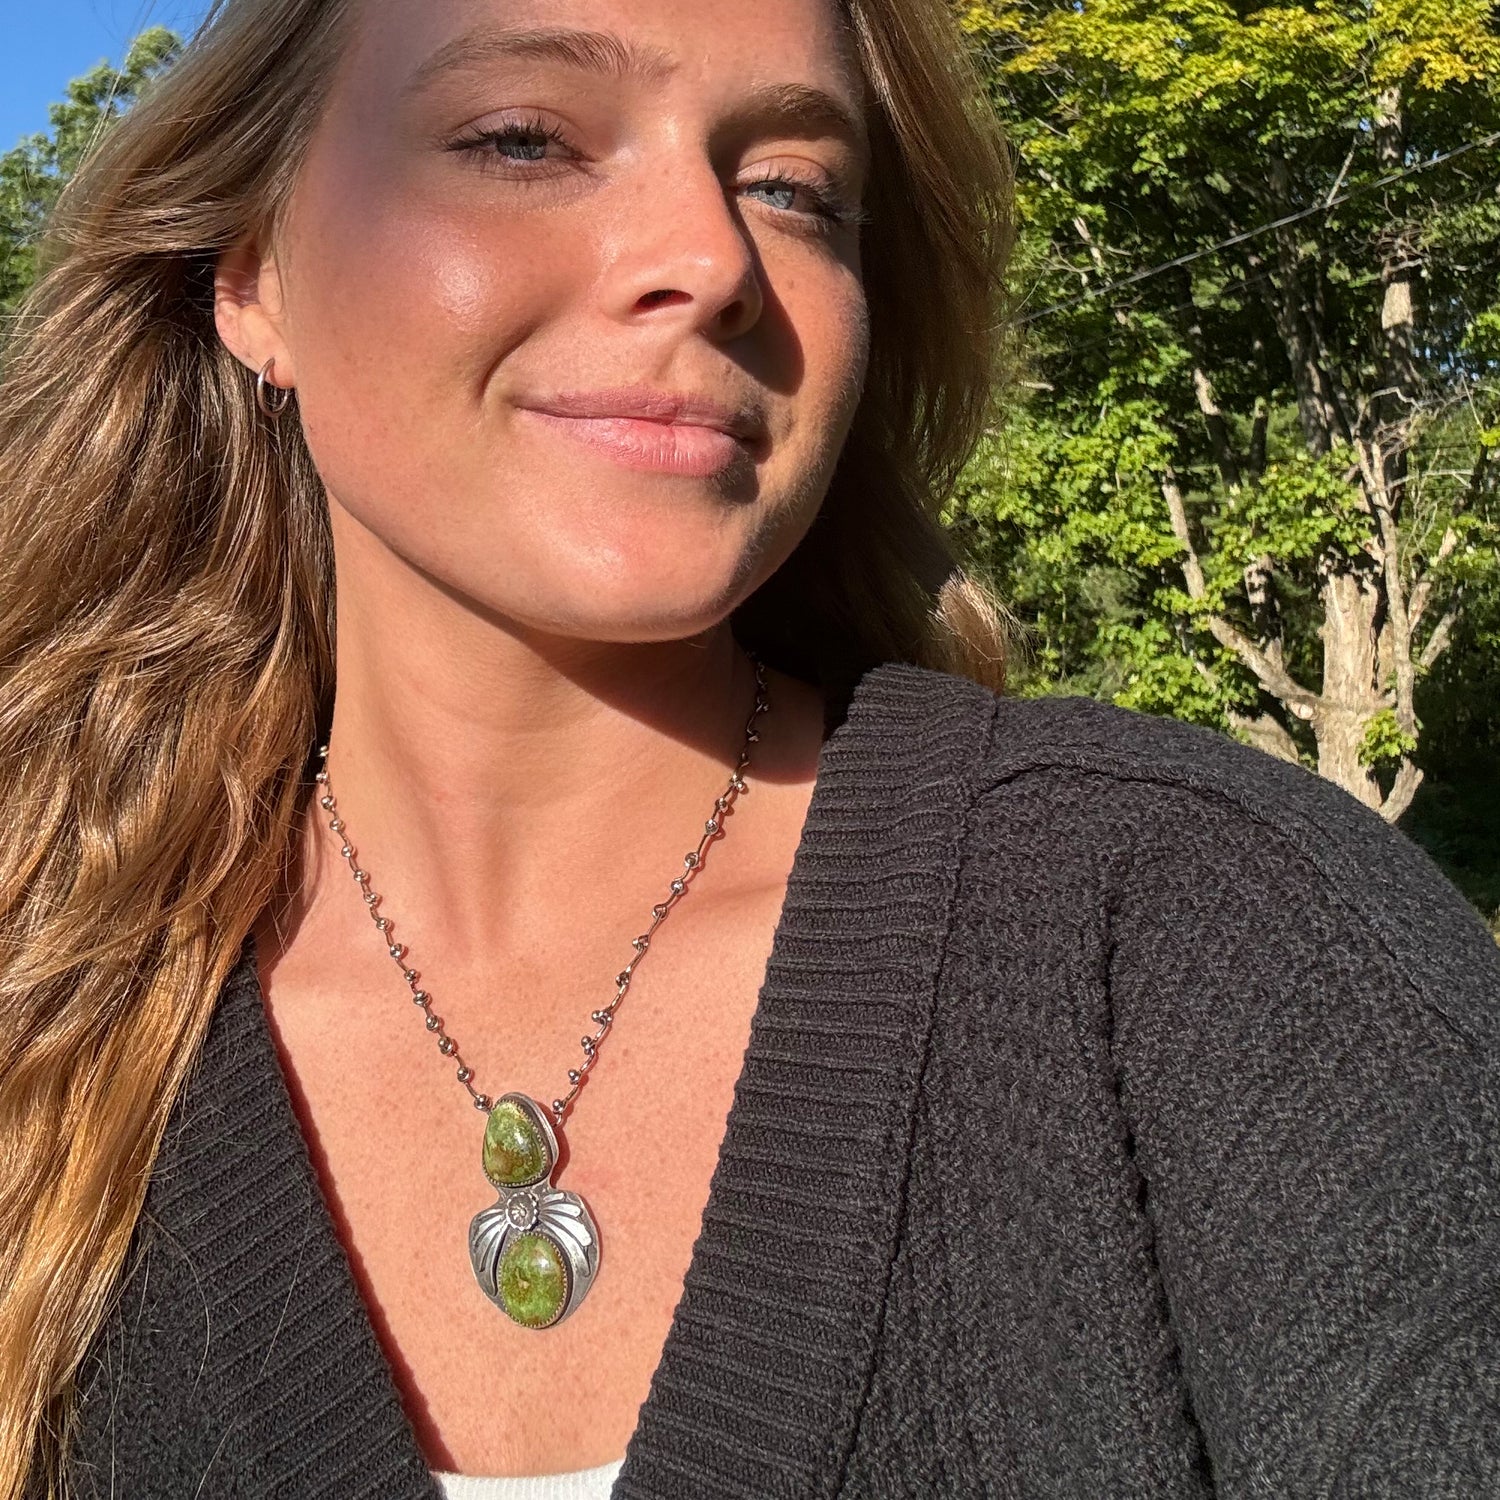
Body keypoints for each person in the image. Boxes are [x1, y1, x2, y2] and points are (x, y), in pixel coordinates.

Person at [0, 0, 1495, 1496]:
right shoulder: (48, 986)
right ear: (253, 276)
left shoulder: (1215, 938)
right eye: (523, 141)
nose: (714, 260)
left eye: (793, 189)